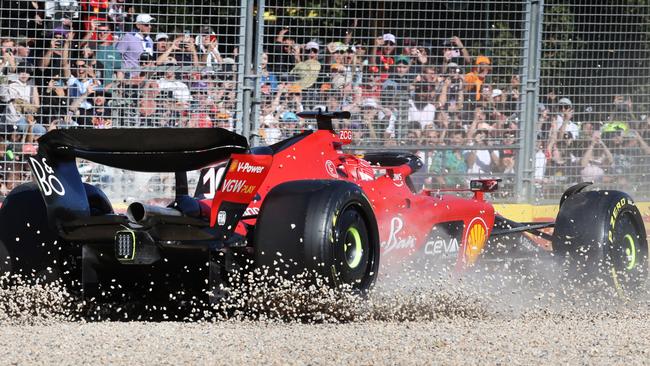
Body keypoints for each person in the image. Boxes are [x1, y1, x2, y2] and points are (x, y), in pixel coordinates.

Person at [116, 14, 155, 78]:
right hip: (130, 78)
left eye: (150, 24)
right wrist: (122, 71)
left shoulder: (150, 40)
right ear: (138, 25)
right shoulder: (128, 37)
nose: (150, 27)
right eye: (146, 24)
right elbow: (116, 55)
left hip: (145, 78)